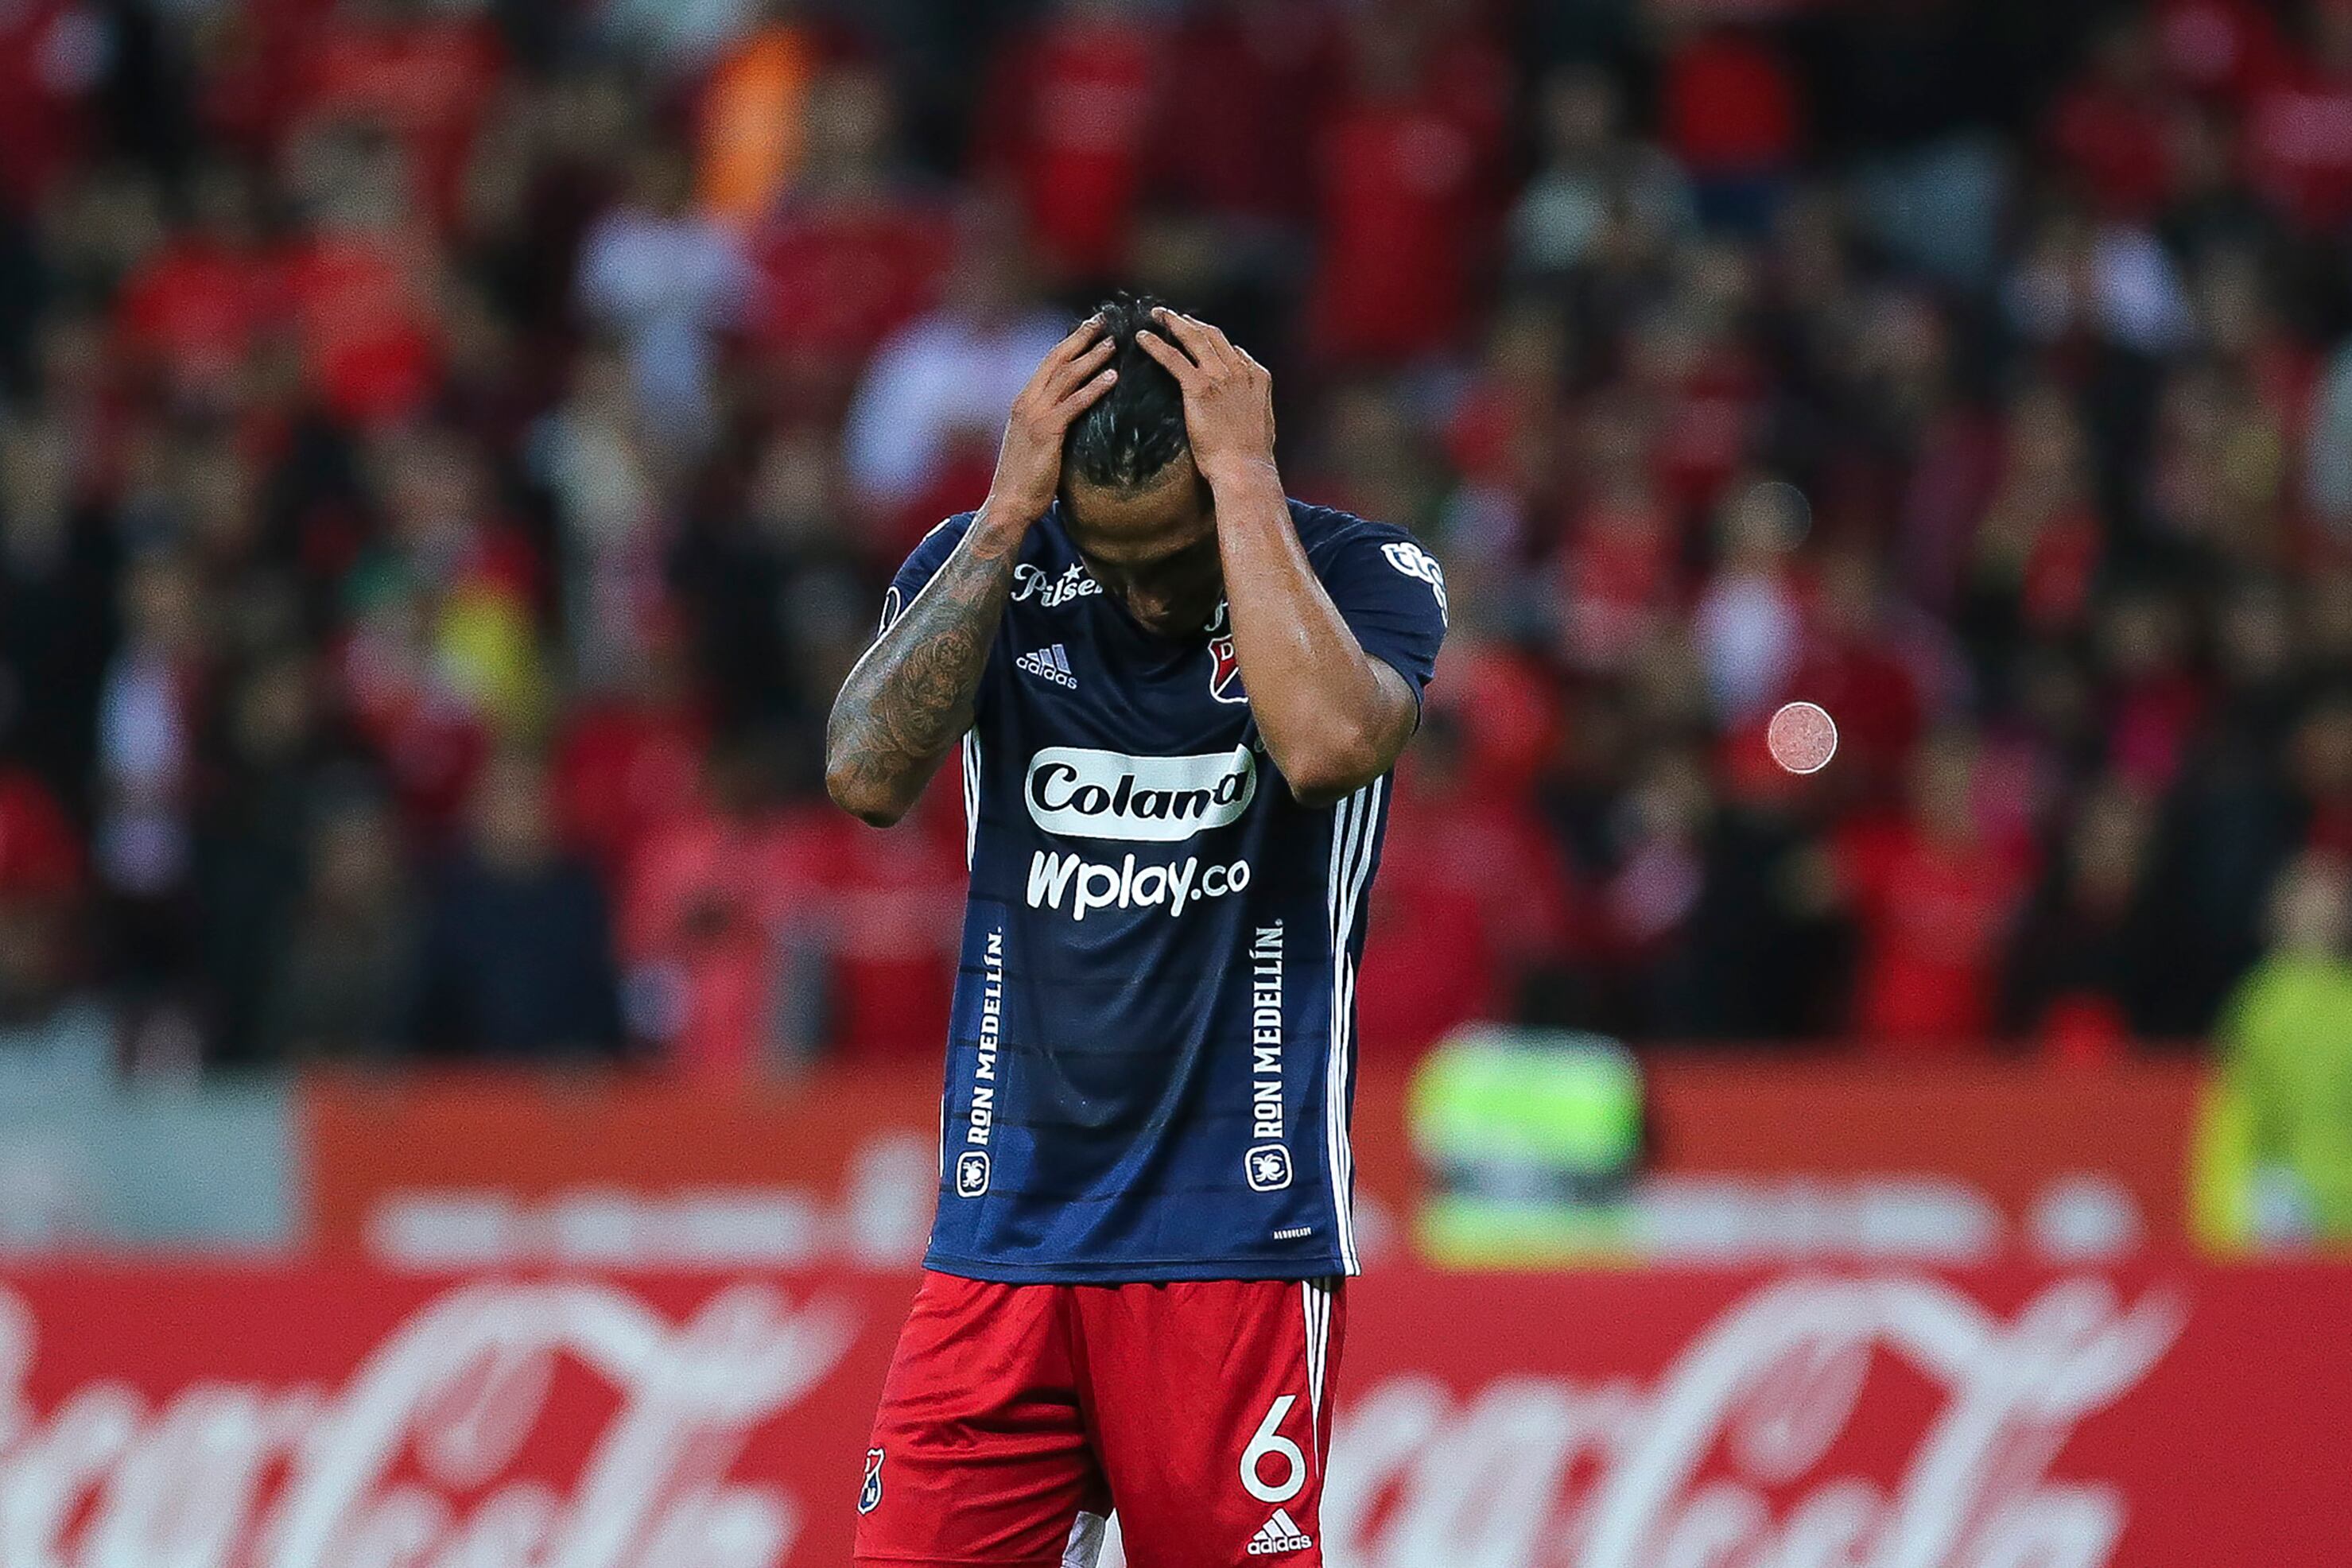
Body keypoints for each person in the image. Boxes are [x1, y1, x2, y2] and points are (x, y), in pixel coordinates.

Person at [825, 296, 1448, 1566]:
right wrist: (1002, 515)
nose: (1143, 592)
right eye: (1110, 559)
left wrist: (1245, 488)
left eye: (1174, 554)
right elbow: (863, 776)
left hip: (1233, 1232)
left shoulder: (1358, 575)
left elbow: (1329, 748)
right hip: (1005, 1228)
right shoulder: (997, 564)